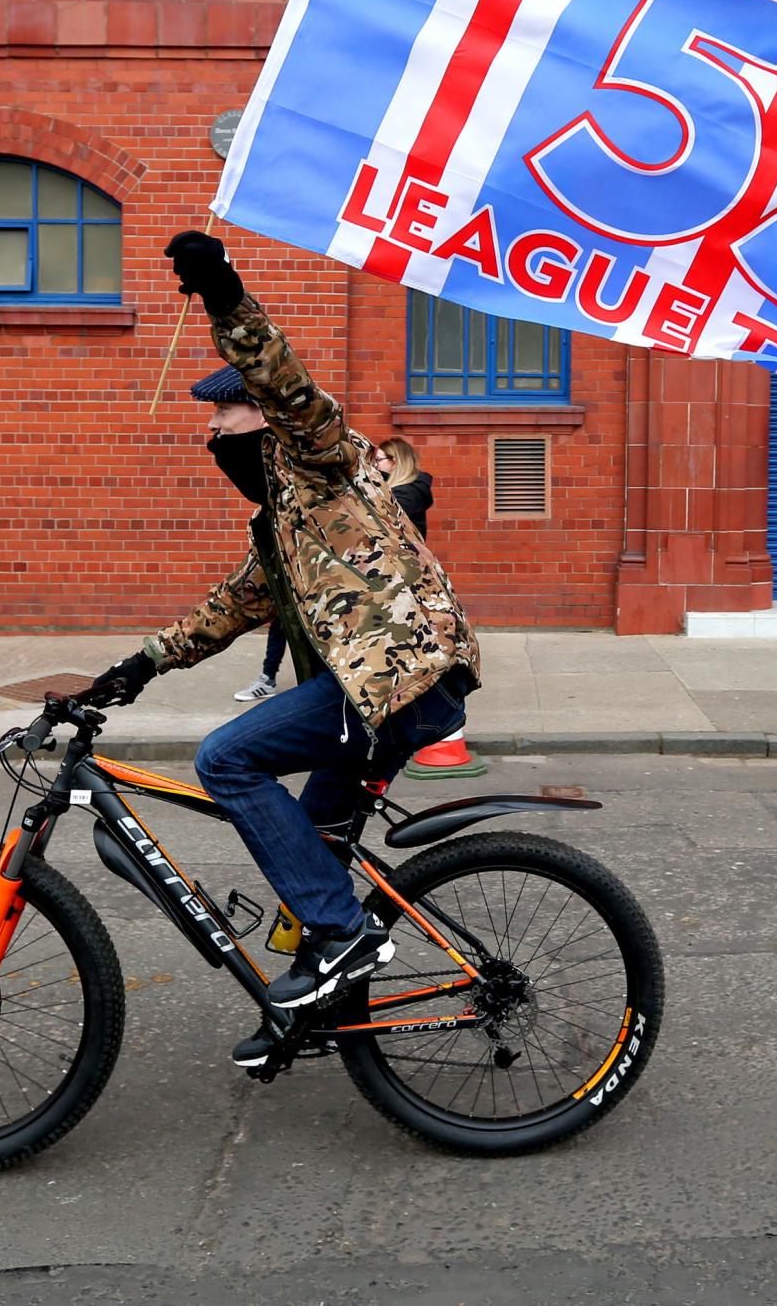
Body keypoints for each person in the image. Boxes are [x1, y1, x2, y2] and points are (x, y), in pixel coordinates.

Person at [85, 231, 479, 1065]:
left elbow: (284, 377)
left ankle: (344, 938)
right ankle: (309, 1005)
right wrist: (137, 667)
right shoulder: (285, 524)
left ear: (262, 416)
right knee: (310, 849)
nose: (212, 430)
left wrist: (224, 291)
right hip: (385, 686)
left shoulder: (320, 456)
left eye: (222, 412)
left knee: (226, 760)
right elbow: (230, 605)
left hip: (395, 680)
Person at [234, 439, 430, 703]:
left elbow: (372, 524)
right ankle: (269, 678)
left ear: (396, 463)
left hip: (387, 577)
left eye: (379, 461)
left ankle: (393, 685)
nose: (373, 466)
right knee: (285, 618)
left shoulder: (408, 493)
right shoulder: (387, 489)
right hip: (359, 570)